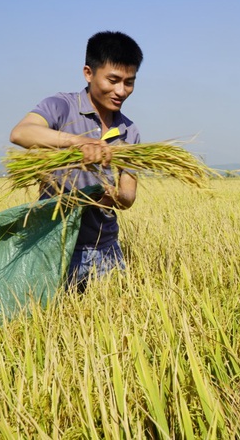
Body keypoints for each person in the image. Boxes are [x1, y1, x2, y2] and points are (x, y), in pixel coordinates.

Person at [10, 31, 143, 292]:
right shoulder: (61, 106)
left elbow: (128, 197)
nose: (121, 91)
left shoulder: (130, 131)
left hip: (105, 250)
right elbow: (21, 133)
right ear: (88, 73)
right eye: (113, 80)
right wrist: (77, 142)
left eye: (129, 82)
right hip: (55, 247)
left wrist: (104, 196)